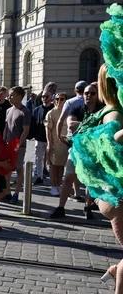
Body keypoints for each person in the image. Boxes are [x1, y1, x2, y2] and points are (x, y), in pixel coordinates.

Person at [70, 13, 123, 294]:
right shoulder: (114, 113)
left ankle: (117, 292)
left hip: (112, 197)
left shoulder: (108, 110)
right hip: (118, 198)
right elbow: (115, 136)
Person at [50, 83, 103, 219]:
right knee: (68, 178)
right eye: (86, 93)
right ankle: (61, 207)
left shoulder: (101, 110)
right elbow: (71, 125)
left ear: (97, 95)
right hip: (76, 149)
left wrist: (87, 127)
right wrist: (93, 126)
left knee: (90, 181)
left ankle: (87, 207)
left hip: (93, 151)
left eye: (92, 93)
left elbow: (104, 128)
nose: (88, 96)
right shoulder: (77, 108)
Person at [3, 86, 32, 204]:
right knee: (6, 170)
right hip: (7, 144)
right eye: (9, 95)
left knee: (19, 169)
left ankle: (17, 193)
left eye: (12, 95)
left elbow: (26, 130)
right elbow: (6, 127)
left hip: (19, 146)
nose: (9, 97)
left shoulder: (25, 111)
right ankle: (8, 193)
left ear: (20, 96)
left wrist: (18, 144)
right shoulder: (8, 110)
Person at [44, 92, 68, 196]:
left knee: (61, 165)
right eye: (57, 99)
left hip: (65, 143)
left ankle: (59, 185)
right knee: (53, 165)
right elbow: (48, 129)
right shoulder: (51, 113)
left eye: (62, 99)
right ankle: (53, 186)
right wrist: (49, 143)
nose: (59, 101)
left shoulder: (68, 112)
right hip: (55, 142)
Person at [32, 90, 54, 184]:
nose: (44, 98)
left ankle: (54, 179)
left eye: (47, 96)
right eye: (43, 97)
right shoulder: (37, 109)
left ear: (51, 97)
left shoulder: (54, 109)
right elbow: (33, 122)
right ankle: (39, 176)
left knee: (51, 159)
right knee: (39, 158)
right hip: (39, 138)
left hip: (52, 138)